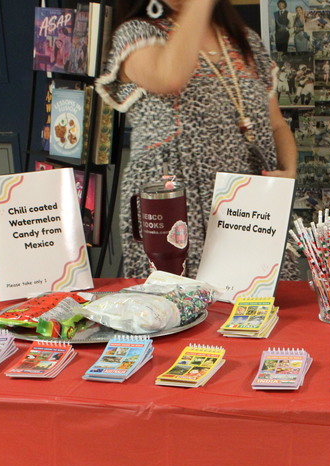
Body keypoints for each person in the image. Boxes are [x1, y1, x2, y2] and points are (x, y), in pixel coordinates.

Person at [96, 0, 299, 279]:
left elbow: (275, 124)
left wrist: (288, 171)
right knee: (182, 311)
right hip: (175, 205)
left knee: (255, 309)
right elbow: (169, 76)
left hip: (246, 204)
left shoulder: (244, 40)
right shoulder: (136, 34)